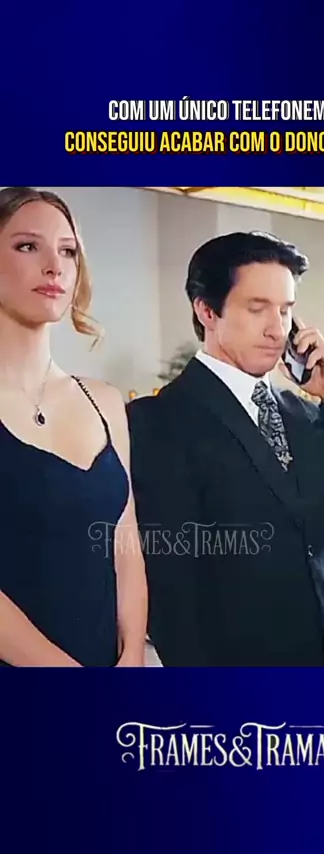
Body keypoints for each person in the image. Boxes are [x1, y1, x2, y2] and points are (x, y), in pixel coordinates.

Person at [127, 231, 324, 667]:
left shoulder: (307, 413)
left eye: (286, 310)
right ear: (207, 310)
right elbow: (172, 592)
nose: (277, 329)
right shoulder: (158, 420)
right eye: (258, 309)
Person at [0, 186, 147, 667]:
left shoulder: (104, 401)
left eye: (68, 251)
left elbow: (125, 544)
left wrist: (132, 654)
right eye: (28, 246)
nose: (54, 266)